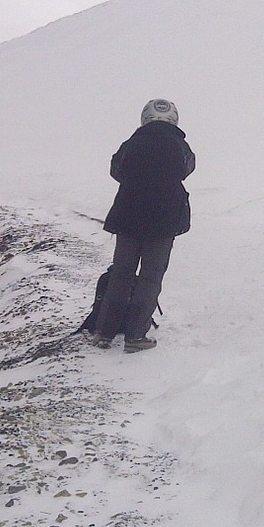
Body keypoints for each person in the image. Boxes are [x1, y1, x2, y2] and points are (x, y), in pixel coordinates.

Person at [93, 98, 195, 353]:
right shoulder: (180, 145)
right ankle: (135, 336)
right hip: (164, 222)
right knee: (150, 277)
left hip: (128, 218)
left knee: (121, 274)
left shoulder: (132, 143)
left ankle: (104, 332)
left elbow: (117, 170)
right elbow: (187, 169)